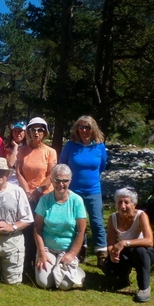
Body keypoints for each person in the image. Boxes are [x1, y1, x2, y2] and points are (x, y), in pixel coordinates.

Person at [60, 115, 108, 266]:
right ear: (77, 128)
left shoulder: (99, 146)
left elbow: (102, 166)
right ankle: (81, 249)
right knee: (77, 221)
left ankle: (102, 252)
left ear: (93, 129)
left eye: (87, 127)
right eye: (81, 127)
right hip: (74, 190)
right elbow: (63, 164)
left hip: (93, 190)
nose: (84, 130)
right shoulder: (71, 145)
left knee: (97, 221)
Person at [34, 164, 87, 290]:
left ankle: (67, 265)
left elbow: (81, 231)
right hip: (47, 248)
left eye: (65, 181)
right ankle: (46, 266)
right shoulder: (44, 200)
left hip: (67, 249)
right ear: (51, 180)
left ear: (70, 181)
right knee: (44, 283)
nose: (61, 184)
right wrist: (41, 252)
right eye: (57, 180)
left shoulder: (77, 201)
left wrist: (72, 254)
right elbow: (37, 228)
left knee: (64, 285)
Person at [102, 187, 154, 302]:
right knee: (109, 269)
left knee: (140, 251)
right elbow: (110, 242)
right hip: (125, 252)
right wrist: (112, 253)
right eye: (119, 202)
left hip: (142, 253)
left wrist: (125, 242)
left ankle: (144, 288)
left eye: (126, 202)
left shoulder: (141, 215)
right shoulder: (113, 218)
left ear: (134, 204)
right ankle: (123, 276)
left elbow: (149, 241)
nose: (122, 206)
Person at [16, 117, 57, 207]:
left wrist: (37, 191)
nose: (36, 132)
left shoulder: (51, 152)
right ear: (29, 132)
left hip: (45, 195)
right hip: (26, 195)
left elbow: (51, 175)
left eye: (40, 130)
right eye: (33, 130)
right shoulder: (22, 151)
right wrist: (27, 191)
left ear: (45, 132)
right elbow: (19, 173)